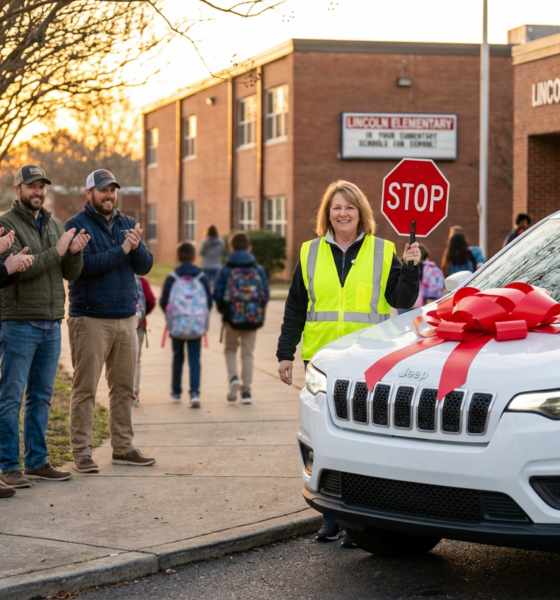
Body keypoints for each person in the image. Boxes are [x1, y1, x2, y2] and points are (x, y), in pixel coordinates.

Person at [276, 180, 420, 548]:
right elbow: (295, 307)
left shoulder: (383, 250)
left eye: (350, 208)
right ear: (328, 213)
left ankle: (357, 521)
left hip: (366, 360)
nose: (343, 214)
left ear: (361, 214)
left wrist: (411, 268)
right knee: (324, 438)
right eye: (336, 207)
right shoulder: (309, 251)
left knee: (362, 443)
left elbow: (401, 298)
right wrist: (284, 352)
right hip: (321, 361)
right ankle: (329, 518)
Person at [0, 165, 89, 490]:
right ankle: (8, 466)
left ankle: (37, 461)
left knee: (41, 397)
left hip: (51, 323)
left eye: (42, 187)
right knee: (11, 397)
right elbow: (18, 270)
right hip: (19, 322)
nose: (38, 192)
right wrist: (59, 250)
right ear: (17, 189)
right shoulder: (5, 224)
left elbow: (69, 272)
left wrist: (74, 253)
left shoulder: (53, 224)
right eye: (31, 186)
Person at [65, 169, 155, 474]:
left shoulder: (127, 223)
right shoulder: (76, 225)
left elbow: (144, 266)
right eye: (103, 190)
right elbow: (84, 267)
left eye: (113, 190)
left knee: (124, 387)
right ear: (89, 193)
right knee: (85, 388)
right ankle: (82, 452)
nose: (109, 195)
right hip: (90, 319)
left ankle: (124, 448)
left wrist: (137, 245)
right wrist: (123, 249)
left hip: (126, 318)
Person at [214, 231, 269, 405]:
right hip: (252, 317)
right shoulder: (257, 269)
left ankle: (233, 379)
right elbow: (265, 293)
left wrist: (225, 311)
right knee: (247, 353)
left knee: (230, 349)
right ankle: (246, 392)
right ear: (249, 247)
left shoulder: (226, 268)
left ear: (231, 247)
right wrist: (258, 310)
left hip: (232, 316)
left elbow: (218, 292)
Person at [160, 242, 212, 407]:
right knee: (195, 359)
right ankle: (194, 393)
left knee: (177, 357)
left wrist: (172, 317)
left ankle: (176, 392)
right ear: (194, 257)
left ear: (177, 257)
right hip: (196, 324)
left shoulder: (172, 277)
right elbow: (208, 301)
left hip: (177, 324)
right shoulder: (201, 277)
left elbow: (164, 301)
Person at [134, 275, 156, 405]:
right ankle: (135, 392)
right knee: (136, 359)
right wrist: (143, 315)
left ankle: (122, 391)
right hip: (139, 325)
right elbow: (151, 301)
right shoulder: (142, 281)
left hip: (120, 322)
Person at [199, 225, 224, 291]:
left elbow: (201, 252)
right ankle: (216, 296)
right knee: (217, 284)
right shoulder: (220, 241)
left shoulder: (204, 241)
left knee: (207, 284)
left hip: (206, 265)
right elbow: (222, 252)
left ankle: (208, 297)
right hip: (217, 265)